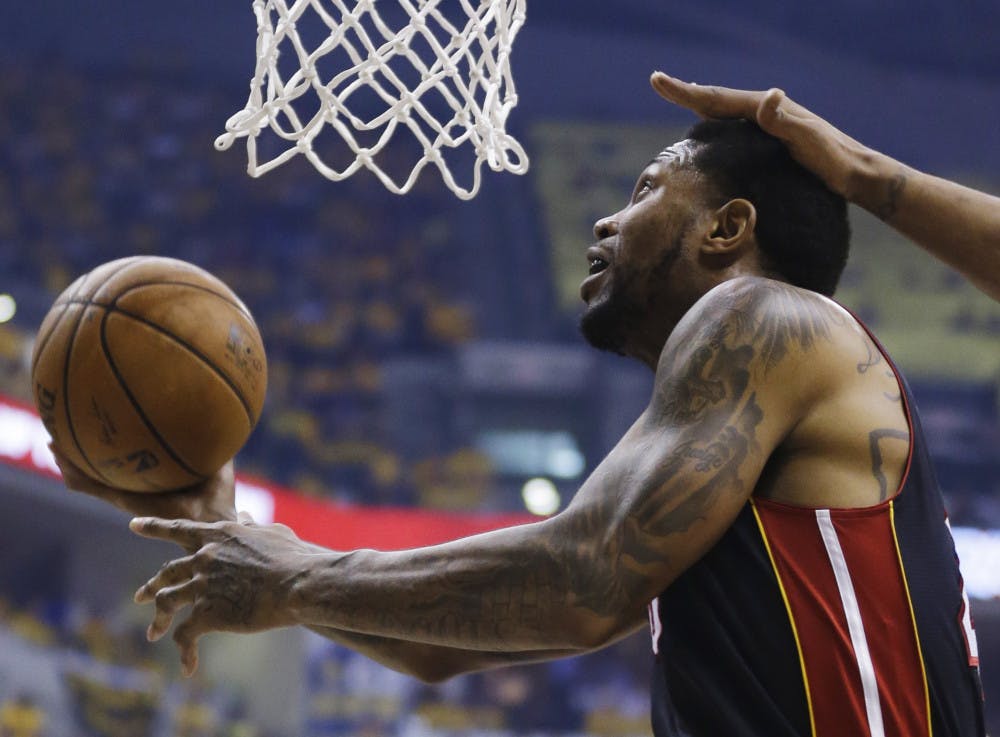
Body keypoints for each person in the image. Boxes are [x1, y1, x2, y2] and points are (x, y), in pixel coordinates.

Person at [53, 76, 996, 737]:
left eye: (646, 189)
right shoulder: (724, 437)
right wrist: (239, 541)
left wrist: (295, 577)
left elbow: (586, 580)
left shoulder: (767, 316)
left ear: (728, 227)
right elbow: (439, 650)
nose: (607, 219)